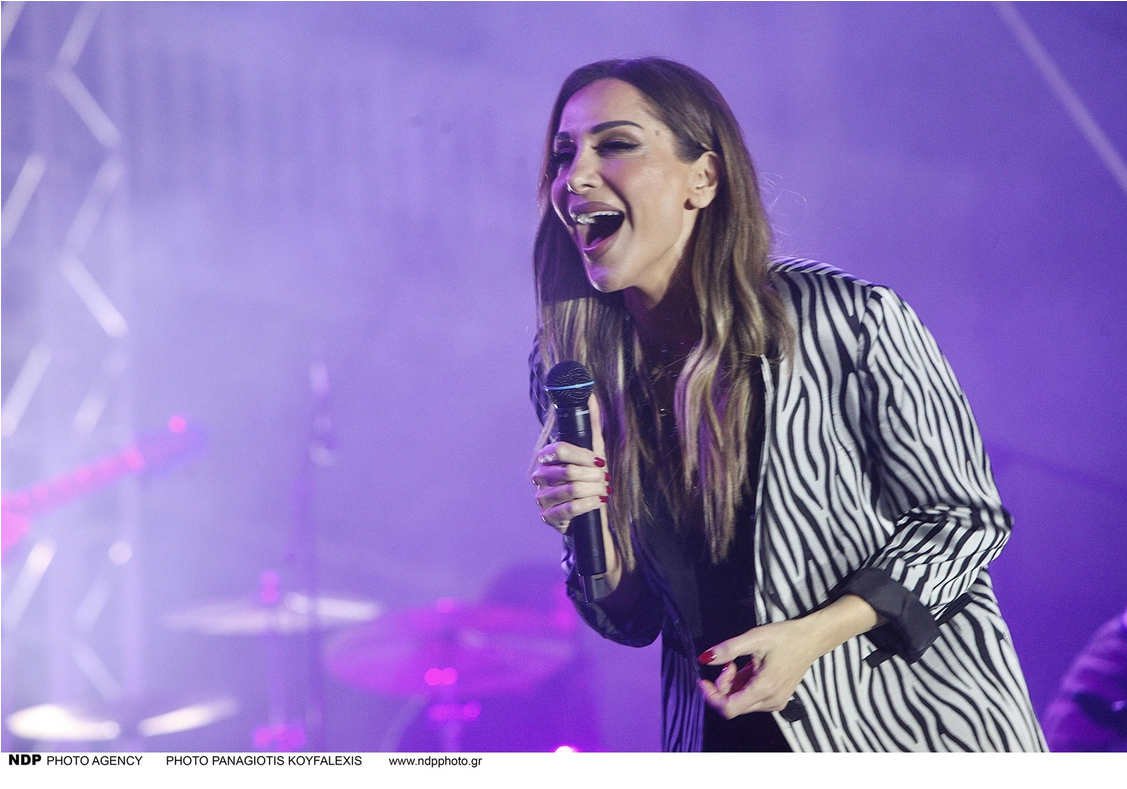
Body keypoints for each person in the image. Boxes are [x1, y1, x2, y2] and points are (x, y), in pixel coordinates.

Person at [527, 57, 1046, 752]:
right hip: (725, 736)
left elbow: (964, 520)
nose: (576, 176)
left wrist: (811, 636)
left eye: (615, 144)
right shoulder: (573, 367)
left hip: (901, 728)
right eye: (564, 154)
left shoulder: (844, 318)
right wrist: (584, 527)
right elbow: (633, 618)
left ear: (704, 178)